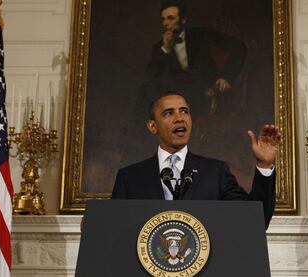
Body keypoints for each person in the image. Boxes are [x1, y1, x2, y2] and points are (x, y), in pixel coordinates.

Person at [112, 91, 281, 228]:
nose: (180, 118)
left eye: (184, 111)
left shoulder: (215, 172)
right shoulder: (129, 177)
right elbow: (114, 229)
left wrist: (264, 165)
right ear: (152, 126)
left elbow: (255, 219)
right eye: (168, 113)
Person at [143, 0, 246, 116]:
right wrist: (166, 49)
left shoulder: (202, 34)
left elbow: (239, 47)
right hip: (177, 104)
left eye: (170, 18)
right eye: (163, 19)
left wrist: (226, 76)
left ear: (183, 20)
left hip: (210, 98)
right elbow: (153, 79)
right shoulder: (159, 48)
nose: (165, 23)